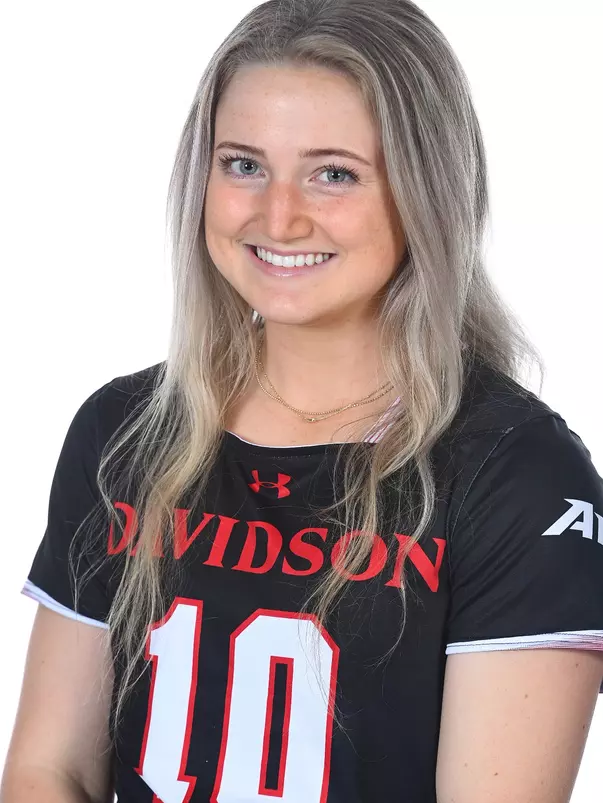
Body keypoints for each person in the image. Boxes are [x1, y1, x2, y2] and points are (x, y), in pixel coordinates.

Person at [3, 0, 603, 801]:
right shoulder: (125, 432)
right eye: (243, 164)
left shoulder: (515, 475)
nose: (278, 216)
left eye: (334, 173)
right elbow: (51, 768)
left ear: (425, 191)